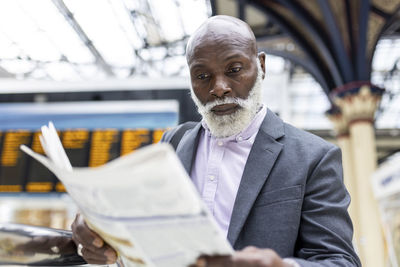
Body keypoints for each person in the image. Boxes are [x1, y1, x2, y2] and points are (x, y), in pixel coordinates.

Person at [71, 15, 361, 267]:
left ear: (260, 66)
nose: (219, 88)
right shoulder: (173, 143)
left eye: (234, 69)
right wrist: (101, 233)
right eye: (203, 75)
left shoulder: (312, 157)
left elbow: (339, 260)